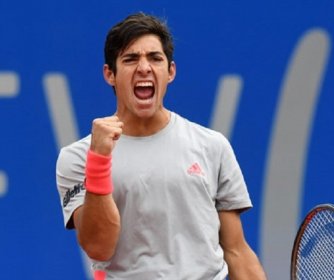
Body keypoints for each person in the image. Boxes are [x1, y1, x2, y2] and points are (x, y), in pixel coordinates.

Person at [56, 12, 267, 280]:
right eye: (130, 59)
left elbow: (236, 251)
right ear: (110, 74)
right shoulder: (77, 157)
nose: (144, 67)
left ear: (170, 72)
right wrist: (98, 161)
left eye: (155, 58)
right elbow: (99, 247)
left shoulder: (212, 146)